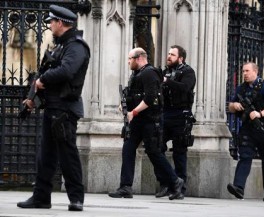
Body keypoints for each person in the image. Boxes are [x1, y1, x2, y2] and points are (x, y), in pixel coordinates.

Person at [17, 5, 90, 211]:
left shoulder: (76, 46)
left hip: (65, 110)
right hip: (54, 108)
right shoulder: (60, 46)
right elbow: (48, 71)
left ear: (60, 23)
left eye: (51, 22)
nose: (49, 25)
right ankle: (41, 197)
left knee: (68, 155)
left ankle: (76, 198)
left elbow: (67, 71)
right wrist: (33, 96)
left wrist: (42, 81)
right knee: (46, 156)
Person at [108, 47, 184, 200]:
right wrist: (124, 105)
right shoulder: (136, 74)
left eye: (130, 59)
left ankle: (175, 181)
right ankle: (125, 187)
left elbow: (150, 98)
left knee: (154, 152)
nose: (128, 62)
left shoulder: (149, 73)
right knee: (128, 149)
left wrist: (133, 112)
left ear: (139, 58)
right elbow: (133, 95)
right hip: (137, 121)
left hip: (150, 120)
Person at [227, 62, 264, 202]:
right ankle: (239, 188)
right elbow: (230, 106)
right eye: (243, 71)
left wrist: (260, 114)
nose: (244, 73)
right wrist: (235, 105)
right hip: (248, 129)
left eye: (247, 71)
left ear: (255, 72)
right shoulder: (241, 89)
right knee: (245, 156)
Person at [155, 45, 196, 199]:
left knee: (179, 152)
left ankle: (180, 188)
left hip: (181, 115)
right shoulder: (165, 72)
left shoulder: (188, 72)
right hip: (165, 114)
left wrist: (166, 81)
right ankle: (166, 183)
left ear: (180, 58)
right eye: (168, 53)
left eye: (172, 54)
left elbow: (185, 88)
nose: (169, 56)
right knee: (157, 148)